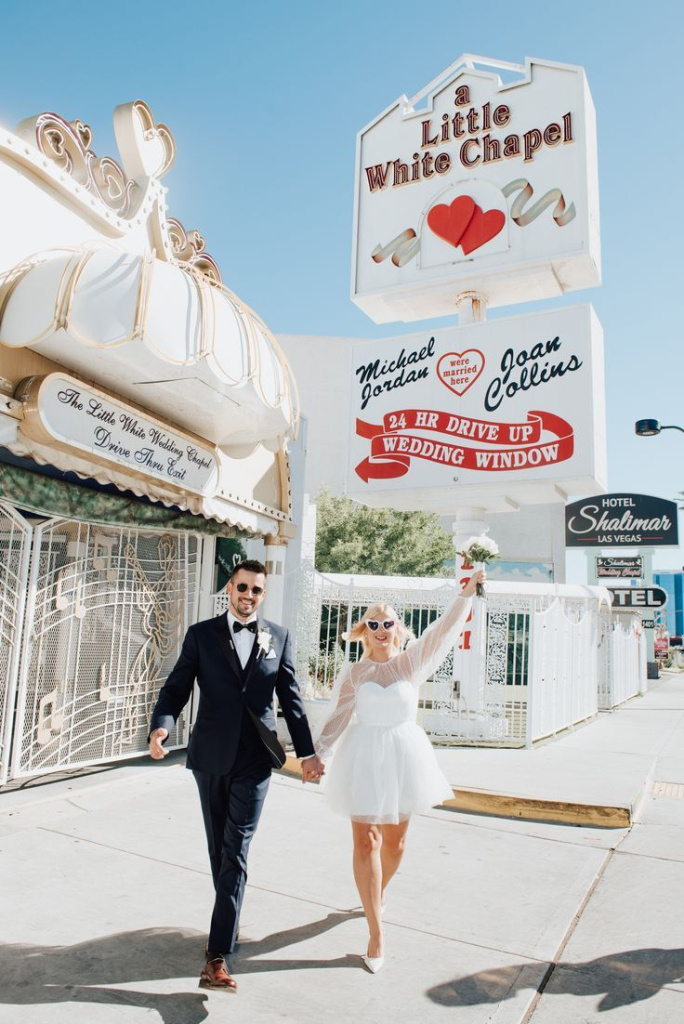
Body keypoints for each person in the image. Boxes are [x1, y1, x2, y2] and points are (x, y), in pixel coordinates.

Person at [148, 559, 324, 994]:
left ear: (263, 595)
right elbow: (176, 687)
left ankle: (216, 956)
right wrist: (162, 725)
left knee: (236, 849)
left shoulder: (278, 637)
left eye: (256, 590)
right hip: (210, 757)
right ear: (229, 588)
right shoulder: (201, 635)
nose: (248, 595)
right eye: (242, 587)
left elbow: (292, 699)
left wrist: (307, 754)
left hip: (255, 760)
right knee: (219, 851)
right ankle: (229, 920)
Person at [314, 570, 485, 974]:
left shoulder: (410, 663)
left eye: (387, 622)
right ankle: (376, 932)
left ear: (396, 629)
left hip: (404, 759)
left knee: (395, 846)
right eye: (372, 623)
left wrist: (466, 593)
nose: (379, 629)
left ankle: (375, 893)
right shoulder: (356, 673)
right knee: (364, 844)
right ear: (363, 630)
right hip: (362, 758)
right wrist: (319, 752)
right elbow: (339, 717)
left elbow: (443, 631)